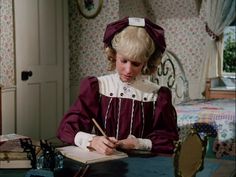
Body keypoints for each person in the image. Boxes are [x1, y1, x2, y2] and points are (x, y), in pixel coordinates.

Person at [57, 17, 179, 155]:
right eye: (124, 61)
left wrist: (139, 143)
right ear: (114, 55)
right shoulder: (97, 87)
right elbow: (66, 128)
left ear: (146, 62)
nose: (128, 70)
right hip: (104, 161)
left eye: (136, 64)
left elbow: (170, 140)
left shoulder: (156, 95)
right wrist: (93, 140)